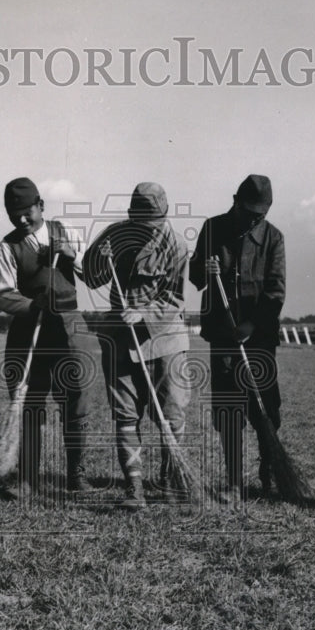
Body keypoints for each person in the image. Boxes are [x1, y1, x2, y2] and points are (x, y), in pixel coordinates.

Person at [82, 182, 191, 509]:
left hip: (165, 341)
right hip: (119, 341)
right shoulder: (114, 235)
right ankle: (134, 489)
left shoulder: (177, 247)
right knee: (126, 416)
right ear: (131, 216)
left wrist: (142, 315)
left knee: (172, 416)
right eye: (142, 223)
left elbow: (174, 298)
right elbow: (91, 277)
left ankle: (173, 481)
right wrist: (98, 260)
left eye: (155, 222)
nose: (149, 230)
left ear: (165, 215)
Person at [188, 174, 286, 503]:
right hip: (223, 337)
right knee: (228, 410)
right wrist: (206, 268)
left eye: (262, 213)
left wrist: (252, 325)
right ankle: (234, 480)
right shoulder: (213, 228)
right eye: (250, 212)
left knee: (265, 410)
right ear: (235, 201)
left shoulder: (274, 238)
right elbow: (194, 277)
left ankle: (269, 471)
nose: (255, 219)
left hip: (259, 339)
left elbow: (276, 290)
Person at [0, 177, 92, 499]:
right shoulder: (8, 246)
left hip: (68, 327)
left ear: (41, 207)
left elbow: (94, 274)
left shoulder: (67, 232)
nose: (21, 219)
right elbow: (3, 296)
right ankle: (27, 478)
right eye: (14, 213)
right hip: (28, 330)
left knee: (75, 402)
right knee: (30, 404)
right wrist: (31, 305)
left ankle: (76, 476)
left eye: (27, 212)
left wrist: (71, 255)